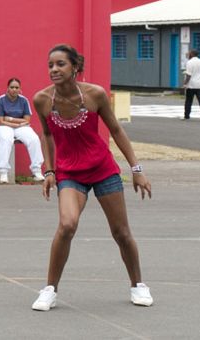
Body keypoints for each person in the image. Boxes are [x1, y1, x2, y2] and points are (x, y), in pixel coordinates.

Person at [30, 44, 153, 311]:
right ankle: (49, 289)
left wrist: (137, 169)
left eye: (61, 64)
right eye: (50, 65)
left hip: (102, 169)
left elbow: (117, 130)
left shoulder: (94, 94)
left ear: (75, 67)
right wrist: (49, 171)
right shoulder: (42, 99)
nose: (54, 69)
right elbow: (47, 134)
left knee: (121, 232)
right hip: (69, 172)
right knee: (67, 225)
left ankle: (138, 285)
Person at [0, 78, 45, 184]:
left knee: (33, 139)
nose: (14, 90)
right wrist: (15, 123)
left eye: (17, 87)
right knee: (6, 139)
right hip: (4, 127)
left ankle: (37, 171)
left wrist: (10, 118)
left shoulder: (24, 100)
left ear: (20, 89)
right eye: (12, 87)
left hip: (20, 127)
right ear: (7, 88)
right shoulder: (1, 100)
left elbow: (27, 120)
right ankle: (3, 172)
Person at [182, 49, 200, 122]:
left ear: (192, 54)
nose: (188, 54)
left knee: (188, 101)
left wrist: (185, 83)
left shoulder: (189, 62)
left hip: (191, 85)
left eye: (189, 53)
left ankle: (186, 116)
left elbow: (188, 75)